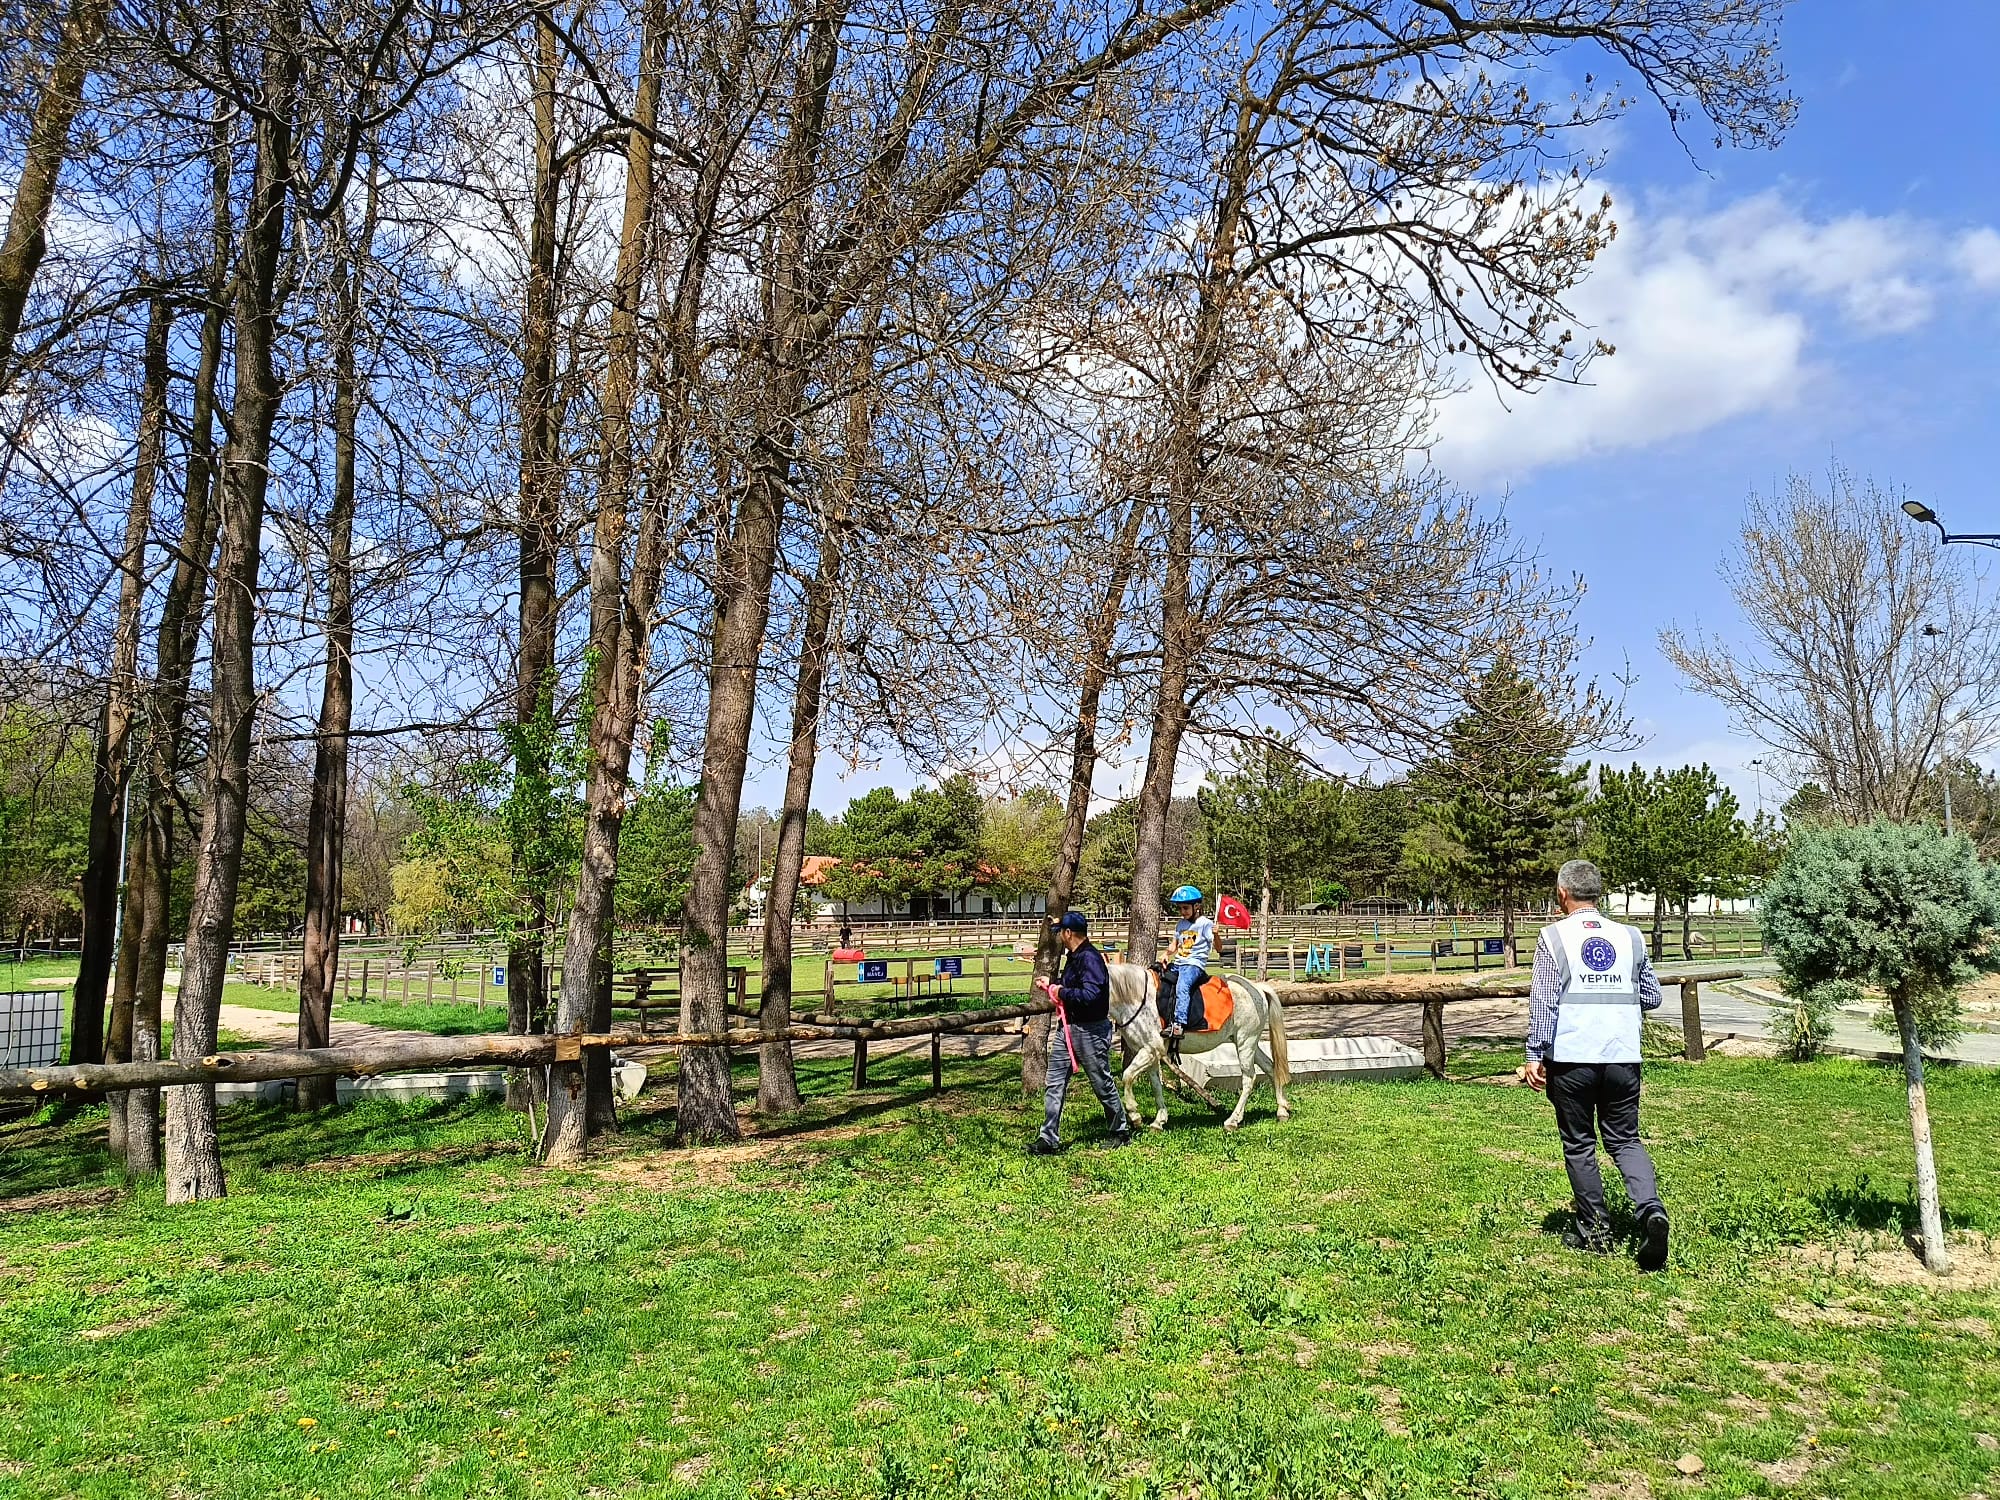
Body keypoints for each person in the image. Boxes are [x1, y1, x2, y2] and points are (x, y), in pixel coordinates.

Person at [1524, 859, 1672, 1271]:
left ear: (1562, 893)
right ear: (1598, 894)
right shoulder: (1631, 937)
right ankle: (1651, 1210)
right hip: (1622, 1055)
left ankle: (1596, 1230)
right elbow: (1652, 996)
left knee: (1579, 1144)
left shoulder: (1553, 937)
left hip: (1573, 1057)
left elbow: (1544, 1002)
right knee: (1625, 1140)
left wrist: (1535, 1053)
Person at [1030, 911, 1131, 1155]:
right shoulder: (1075, 958)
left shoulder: (1090, 959)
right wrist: (1053, 985)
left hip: (1090, 1031)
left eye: (1061, 933)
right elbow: (1073, 988)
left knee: (1101, 1082)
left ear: (1068, 933)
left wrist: (1061, 992)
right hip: (1067, 1029)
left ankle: (1120, 1130)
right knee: (1054, 1082)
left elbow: (1091, 995)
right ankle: (1048, 1138)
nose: (1059, 938)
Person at [1161, 885, 1215, 1039]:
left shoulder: (1205, 923)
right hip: (1179, 963)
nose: (1182, 912)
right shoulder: (1180, 924)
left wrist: (1217, 935)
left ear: (1196, 906)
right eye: (1180, 908)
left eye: (1185, 908)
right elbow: (1174, 945)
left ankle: (1179, 1023)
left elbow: (1218, 947)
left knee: (1182, 986)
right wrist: (1166, 954)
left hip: (1194, 964)